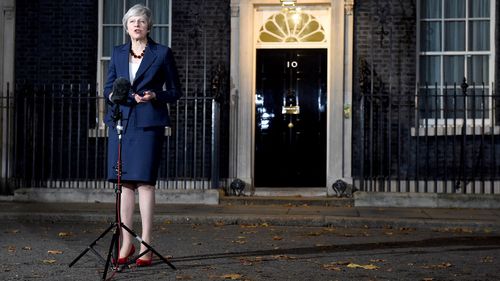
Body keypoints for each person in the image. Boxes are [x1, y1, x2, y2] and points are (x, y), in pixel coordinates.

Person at [103, 4, 182, 267]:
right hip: (121, 124)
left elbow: (175, 91)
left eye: (141, 21)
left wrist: (155, 95)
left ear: (149, 26)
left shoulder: (162, 53)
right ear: (126, 27)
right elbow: (108, 89)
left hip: (148, 124)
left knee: (145, 184)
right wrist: (118, 95)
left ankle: (146, 244)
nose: (136, 25)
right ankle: (126, 242)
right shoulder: (116, 53)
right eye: (131, 21)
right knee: (123, 184)